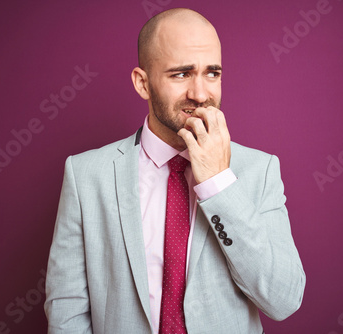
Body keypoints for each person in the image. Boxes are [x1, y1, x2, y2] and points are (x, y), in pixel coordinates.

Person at [44, 8, 305, 334]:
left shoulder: (259, 170)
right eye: (181, 74)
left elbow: (283, 300)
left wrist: (218, 182)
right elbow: (66, 310)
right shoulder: (86, 175)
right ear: (143, 83)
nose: (200, 94)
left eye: (212, 73)